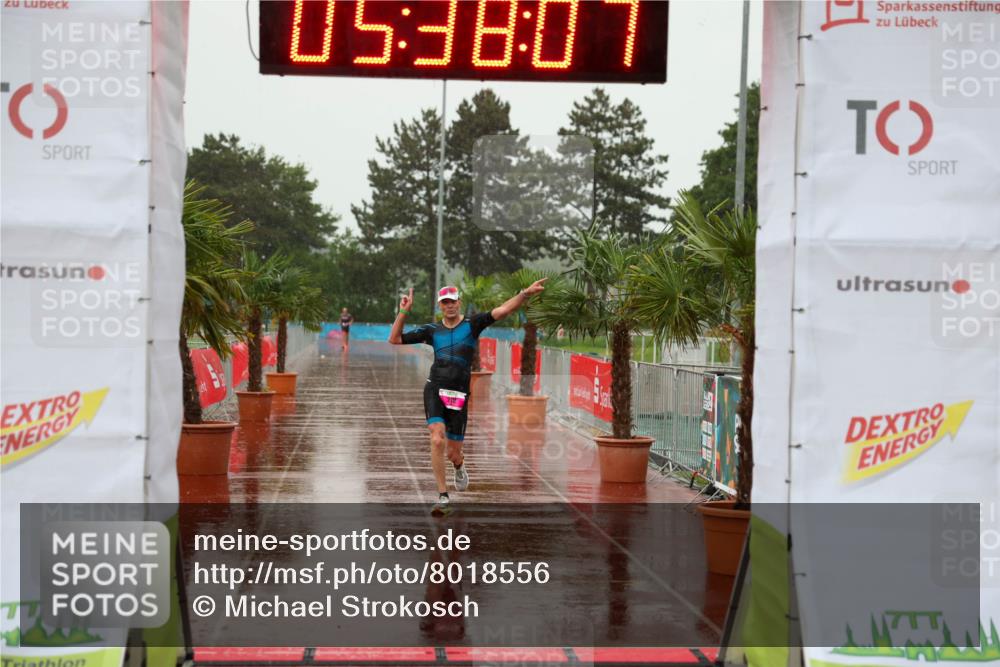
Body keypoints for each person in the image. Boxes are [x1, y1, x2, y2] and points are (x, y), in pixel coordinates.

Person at [389, 281, 546, 515]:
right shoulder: (432, 330)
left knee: (453, 452)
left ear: (459, 302)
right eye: (445, 302)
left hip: (459, 395)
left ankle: (459, 465)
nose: (450, 305)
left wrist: (523, 293)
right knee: (436, 439)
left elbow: (503, 311)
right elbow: (395, 339)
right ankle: (443, 496)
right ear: (440, 306)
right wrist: (403, 311)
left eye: (453, 301)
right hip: (435, 389)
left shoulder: (473, 325)